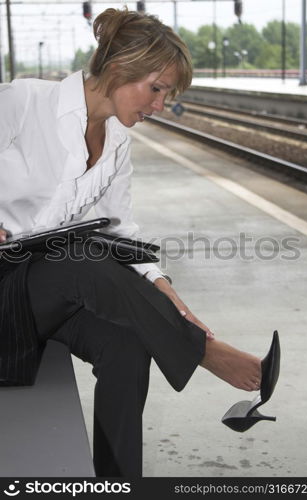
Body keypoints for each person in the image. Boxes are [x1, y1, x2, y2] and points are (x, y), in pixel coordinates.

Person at [0, 7, 261, 477]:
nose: (160, 105)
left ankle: (120, 484)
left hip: (31, 301)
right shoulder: (23, 102)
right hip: (3, 290)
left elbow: (122, 232)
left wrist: (168, 296)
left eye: (167, 94)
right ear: (121, 69)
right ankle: (203, 354)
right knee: (80, 260)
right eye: (156, 88)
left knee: (127, 343)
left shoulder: (117, 141)